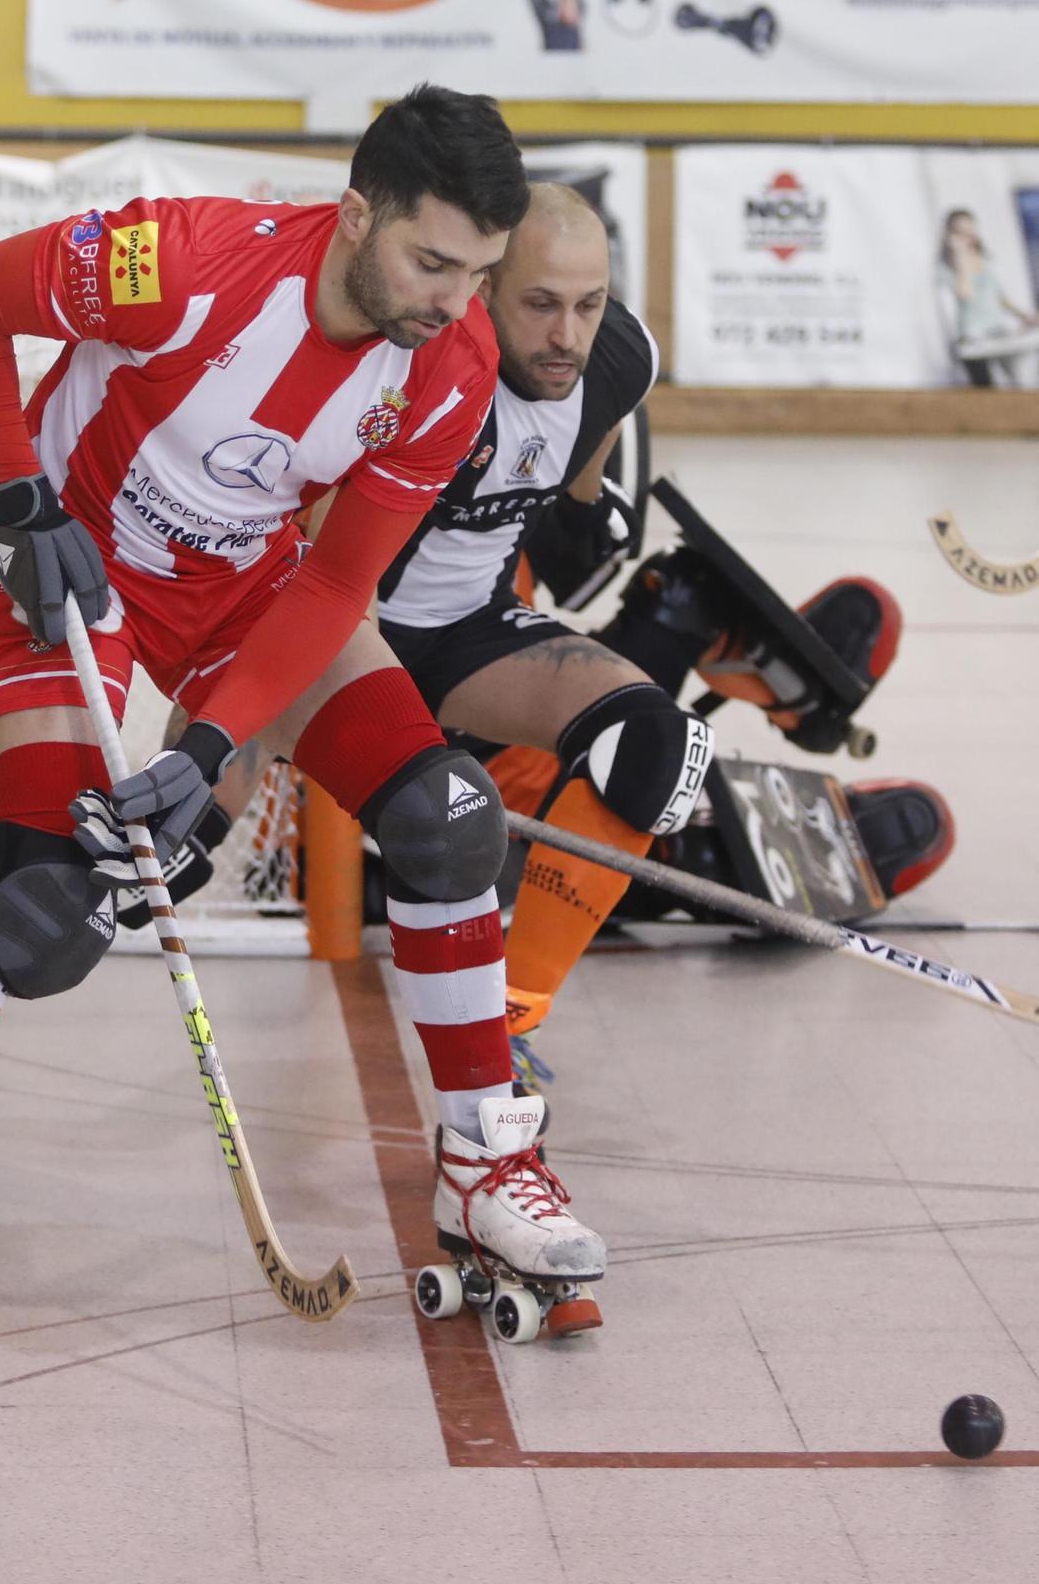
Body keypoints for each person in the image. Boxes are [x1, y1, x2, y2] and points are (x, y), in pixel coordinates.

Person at [0, 85, 620, 1369]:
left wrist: (209, 746)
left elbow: (332, 586)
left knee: (445, 821)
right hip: (67, 575)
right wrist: (16, 488)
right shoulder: (183, 263)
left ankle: (484, 1162)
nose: (452, 301)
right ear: (354, 216)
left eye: (477, 273)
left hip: (249, 590)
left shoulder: (452, 367)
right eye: (430, 262)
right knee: (48, 908)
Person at [159, 185, 949, 1085]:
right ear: (485, 290)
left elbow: (578, 497)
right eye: (539, 305)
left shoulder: (616, 361)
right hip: (344, 639)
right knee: (168, 839)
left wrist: (590, 522)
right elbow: (301, 585)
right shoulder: (407, 367)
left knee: (659, 743)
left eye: (588, 305)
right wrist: (214, 755)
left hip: (469, 640)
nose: (566, 336)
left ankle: (509, 1020)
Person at [937, 207, 1039, 388]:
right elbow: (964, 293)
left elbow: (999, 296)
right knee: (986, 390)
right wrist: (961, 260)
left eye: (969, 230)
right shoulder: (946, 268)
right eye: (960, 232)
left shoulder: (986, 259)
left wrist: (1024, 315)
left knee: (1020, 381)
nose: (967, 236)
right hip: (973, 338)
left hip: (998, 330)